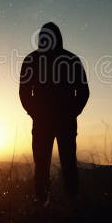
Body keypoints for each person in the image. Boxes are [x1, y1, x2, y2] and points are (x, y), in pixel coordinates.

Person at [19, 22, 89, 205]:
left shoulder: (65, 60)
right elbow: (24, 93)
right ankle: (47, 203)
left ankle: (64, 204)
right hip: (47, 122)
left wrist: (71, 113)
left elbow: (83, 91)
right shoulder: (36, 60)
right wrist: (35, 113)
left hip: (59, 122)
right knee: (45, 165)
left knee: (62, 165)